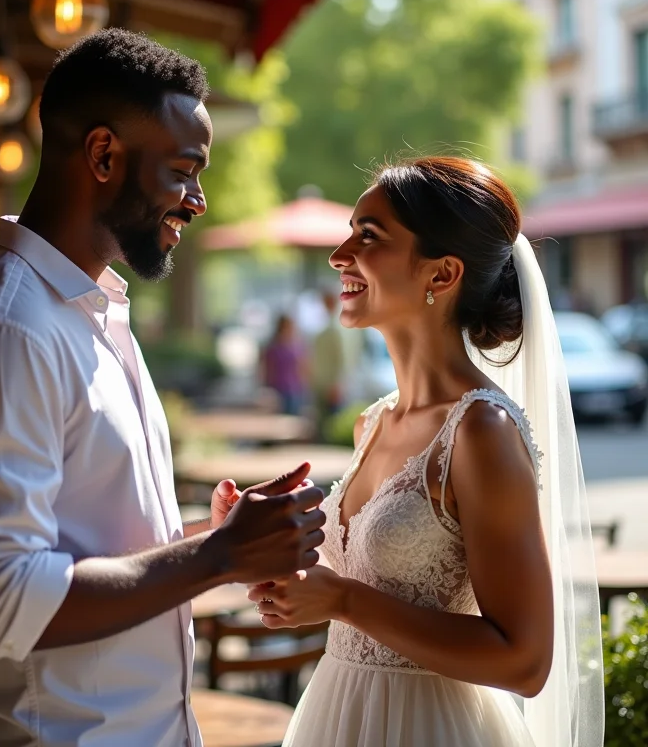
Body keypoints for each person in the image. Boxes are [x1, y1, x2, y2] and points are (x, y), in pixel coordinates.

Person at [0, 29, 325, 747]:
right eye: (185, 170)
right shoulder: (7, 332)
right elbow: (4, 604)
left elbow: (83, 544)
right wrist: (219, 558)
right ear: (102, 155)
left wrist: (215, 538)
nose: (197, 200)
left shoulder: (89, 315)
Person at [248, 157, 604, 747]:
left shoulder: (480, 430)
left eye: (369, 236)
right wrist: (270, 559)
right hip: (339, 716)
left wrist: (340, 599)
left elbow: (525, 660)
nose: (340, 255)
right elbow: (371, 585)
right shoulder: (373, 422)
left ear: (440, 275)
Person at [311, 291, 347, 438]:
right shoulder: (327, 325)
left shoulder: (337, 327)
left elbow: (340, 359)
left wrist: (337, 384)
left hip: (330, 385)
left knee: (330, 425)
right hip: (321, 382)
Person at [261, 314, 309, 415]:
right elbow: (266, 368)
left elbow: (303, 367)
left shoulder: (297, 346)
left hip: (295, 388)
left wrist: (305, 384)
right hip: (277, 388)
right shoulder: (273, 347)